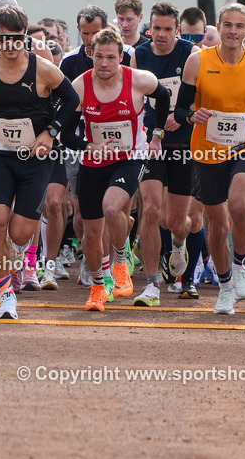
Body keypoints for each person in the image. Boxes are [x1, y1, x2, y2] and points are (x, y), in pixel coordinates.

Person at [0, 5, 79, 319]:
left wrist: (51, 133)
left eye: (17, 39)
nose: (11, 46)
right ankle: (5, 295)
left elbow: (71, 100)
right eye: (5, 38)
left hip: (36, 161)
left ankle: (18, 255)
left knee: (20, 233)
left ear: (25, 37)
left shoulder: (43, 69)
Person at [176, 3, 245, 316]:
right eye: (227, 25)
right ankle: (225, 287)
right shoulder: (197, 61)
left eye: (239, 26)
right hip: (207, 150)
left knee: (238, 204)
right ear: (217, 27)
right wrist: (194, 115)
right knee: (217, 226)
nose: (233, 31)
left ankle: (243, 265)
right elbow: (180, 111)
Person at [64, 27, 167, 312]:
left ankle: (121, 260)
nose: (105, 63)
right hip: (93, 162)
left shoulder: (140, 81)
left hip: (129, 157)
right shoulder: (79, 86)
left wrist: (156, 134)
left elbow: (165, 95)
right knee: (91, 232)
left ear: (121, 57)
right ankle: (99, 286)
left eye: (111, 57)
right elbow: (66, 134)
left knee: (112, 208)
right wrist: (88, 146)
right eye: (99, 57)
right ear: (91, 55)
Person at [131, 1, 199, 306]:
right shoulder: (139, 55)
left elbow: (199, 97)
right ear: (149, 27)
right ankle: (152, 284)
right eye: (156, 28)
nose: (161, 34)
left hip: (184, 141)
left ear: (178, 30)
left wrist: (181, 116)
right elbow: (135, 99)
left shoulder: (190, 55)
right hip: (151, 142)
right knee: (151, 211)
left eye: (167, 29)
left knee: (176, 220)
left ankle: (179, 244)